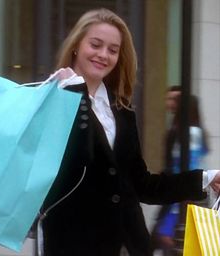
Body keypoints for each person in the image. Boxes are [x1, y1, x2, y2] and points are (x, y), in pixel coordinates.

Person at [39, 8, 220, 256]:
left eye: (113, 50)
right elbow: (76, 159)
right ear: (76, 46)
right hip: (73, 245)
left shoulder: (121, 109)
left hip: (130, 246)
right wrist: (75, 91)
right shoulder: (54, 99)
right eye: (95, 45)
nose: (103, 55)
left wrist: (204, 179)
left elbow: (142, 184)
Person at [151, 94, 209, 255]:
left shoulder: (189, 133)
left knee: (164, 239)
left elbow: (187, 166)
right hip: (181, 192)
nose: (170, 104)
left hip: (179, 194)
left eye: (175, 102)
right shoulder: (194, 131)